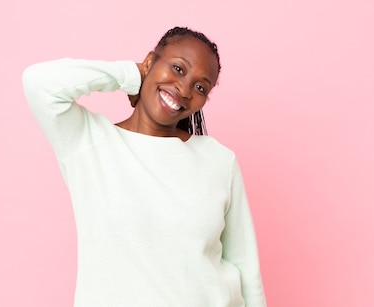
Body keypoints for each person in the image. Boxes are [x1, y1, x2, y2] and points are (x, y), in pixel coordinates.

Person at [22, 26, 267, 306]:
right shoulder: (89, 142)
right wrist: (130, 75)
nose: (184, 90)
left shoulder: (219, 160)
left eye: (200, 87)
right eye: (177, 68)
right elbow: (39, 82)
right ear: (150, 62)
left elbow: (245, 267)